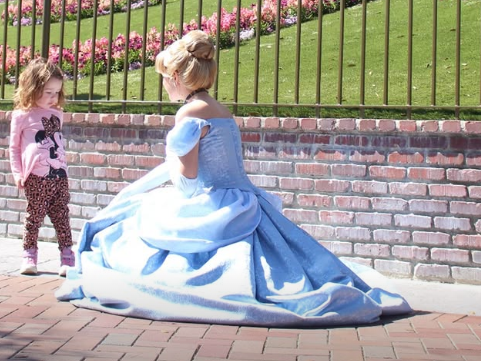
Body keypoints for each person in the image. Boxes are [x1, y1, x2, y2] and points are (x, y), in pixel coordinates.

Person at [56, 30, 410, 325]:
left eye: (165, 81)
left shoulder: (188, 113)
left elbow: (189, 181)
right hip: (244, 200)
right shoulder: (221, 109)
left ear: (176, 78)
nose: (165, 88)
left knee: (134, 224)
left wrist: (169, 163)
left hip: (212, 201)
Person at [9, 58, 75, 277]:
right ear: (32, 88)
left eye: (56, 92)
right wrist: (18, 173)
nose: (53, 97)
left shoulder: (57, 113)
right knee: (34, 217)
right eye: (48, 92)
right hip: (36, 176)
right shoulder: (21, 116)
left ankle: (67, 258)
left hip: (59, 175)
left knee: (62, 216)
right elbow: (14, 148)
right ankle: (29, 256)